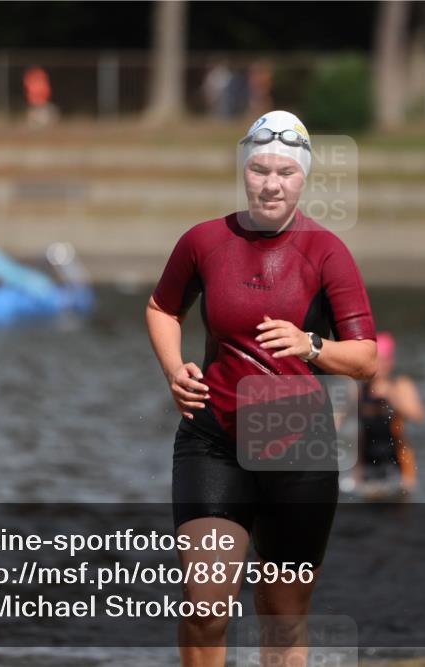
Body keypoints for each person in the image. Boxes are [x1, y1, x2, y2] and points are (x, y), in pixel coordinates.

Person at [146, 110, 377, 667]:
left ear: (303, 179)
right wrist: (174, 369)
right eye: (259, 169)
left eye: (285, 173)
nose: (271, 184)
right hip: (213, 441)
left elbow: (366, 358)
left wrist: (311, 346)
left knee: (281, 616)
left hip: (298, 446)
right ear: (244, 172)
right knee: (206, 606)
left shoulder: (326, 252)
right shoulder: (204, 241)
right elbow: (161, 307)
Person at [349, 331, 425, 495]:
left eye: (383, 361)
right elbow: (338, 421)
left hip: (398, 464)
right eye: (376, 360)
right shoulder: (360, 390)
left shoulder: (401, 386)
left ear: (390, 362)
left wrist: (392, 396)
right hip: (367, 464)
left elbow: (418, 416)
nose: (379, 366)